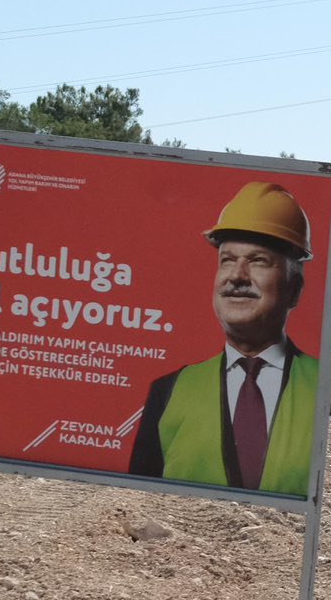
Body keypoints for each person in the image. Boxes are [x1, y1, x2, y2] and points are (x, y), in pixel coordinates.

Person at [128, 181, 320, 494]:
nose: (237, 276)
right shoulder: (168, 391)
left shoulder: (323, 389)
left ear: (294, 289)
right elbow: (137, 499)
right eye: (227, 260)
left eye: (258, 261)